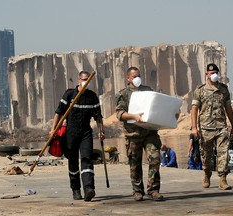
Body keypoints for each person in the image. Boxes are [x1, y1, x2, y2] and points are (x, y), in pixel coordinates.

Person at [50, 71, 105, 201]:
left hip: (86, 132)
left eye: (88, 80)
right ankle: (75, 189)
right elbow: (58, 112)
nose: (86, 82)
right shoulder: (69, 95)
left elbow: (98, 117)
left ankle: (88, 189)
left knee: (86, 159)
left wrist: (101, 131)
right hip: (70, 133)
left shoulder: (92, 97)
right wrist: (53, 130)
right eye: (84, 79)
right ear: (79, 79)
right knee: (73, 161)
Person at [115, 66, 164, 201]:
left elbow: (156, 106)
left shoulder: (148, 91)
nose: (137, 78)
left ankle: (153, 189)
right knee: (134, 164)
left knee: (155, 159)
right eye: (134, 76)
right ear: (128, 78)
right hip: (133, 134)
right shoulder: (123, 94)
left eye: (138, 76)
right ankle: (137, 191)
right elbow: (119, 114)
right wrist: (133, 116)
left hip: (150, 132)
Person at [191, 63, 233, 190]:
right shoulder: (200, 90)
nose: (214, 75)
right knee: (206, 155)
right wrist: (194, 127)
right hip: (206, 128)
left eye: (216, 72)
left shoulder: (224, 89)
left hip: (221, 127)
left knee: (223, 154)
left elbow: (228, 108)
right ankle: (207, 174)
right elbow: (194, 109)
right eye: (211, 73)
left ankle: (223, 179)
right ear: (207, 75)